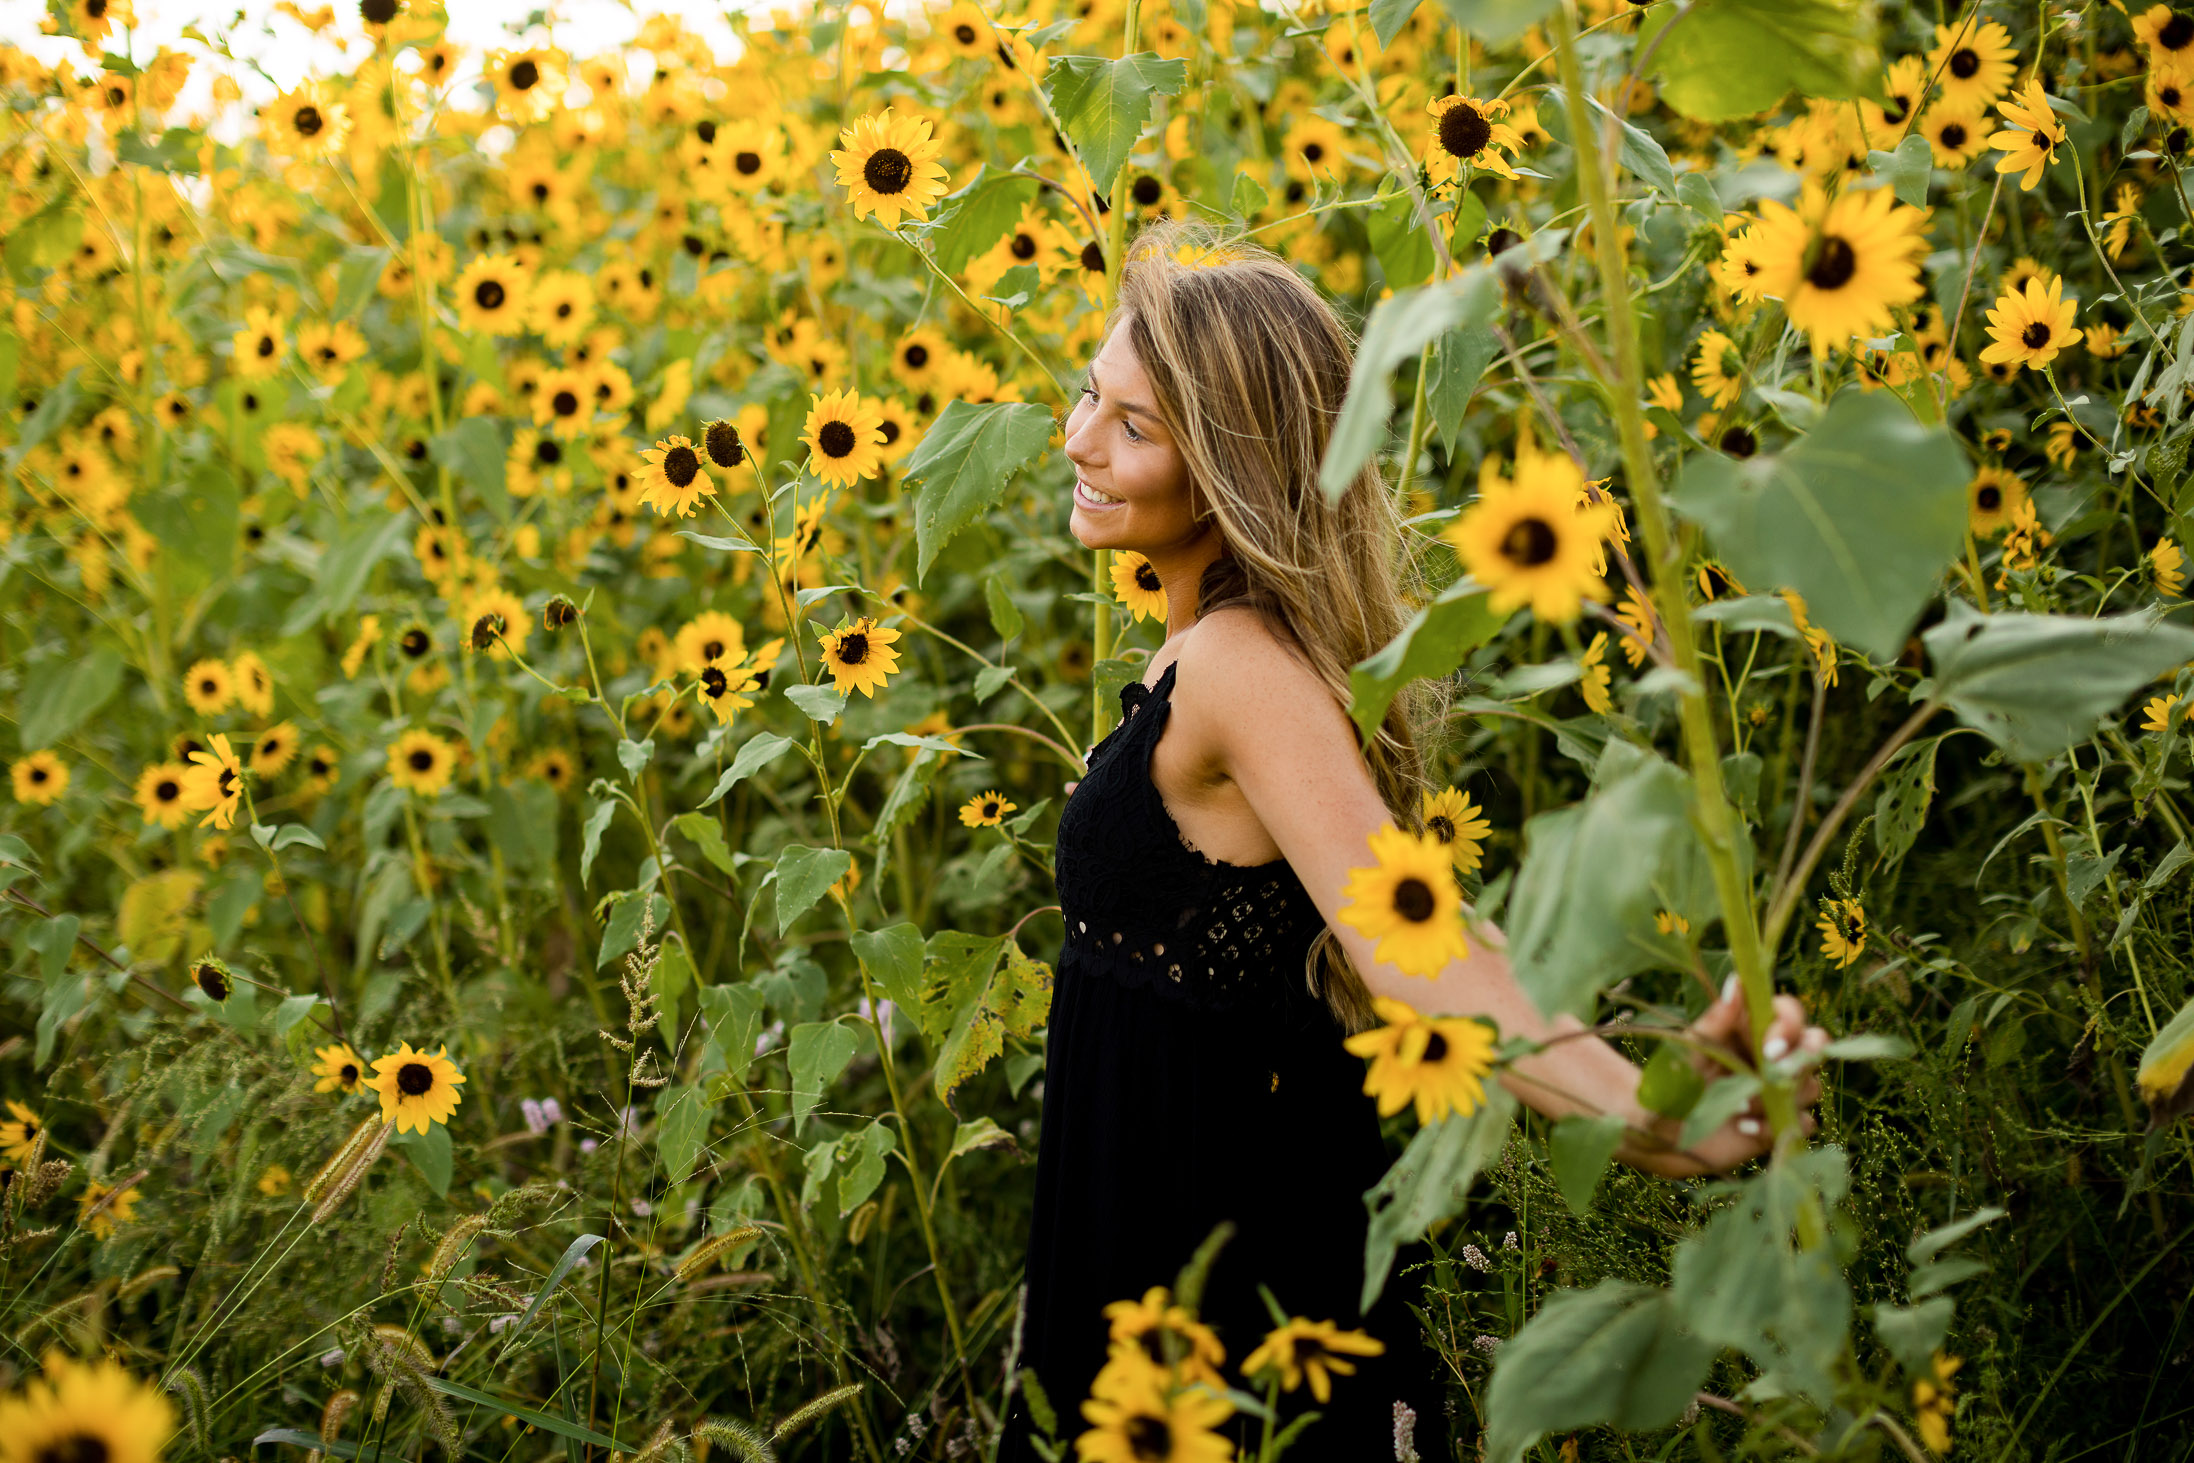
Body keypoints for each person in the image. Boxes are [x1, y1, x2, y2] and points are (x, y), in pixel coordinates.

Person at [997, 218, 1827, 1463]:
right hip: (1154, 1207)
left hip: (1201, 1243)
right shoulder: (1215, 651)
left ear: (1232, 466)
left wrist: (1649, 1118)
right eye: (1090, 395)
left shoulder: (1236, 665)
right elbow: (1424, 911)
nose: (1077, 439)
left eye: (1134, 425)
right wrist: (1635, 1074)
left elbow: (1412, 945)